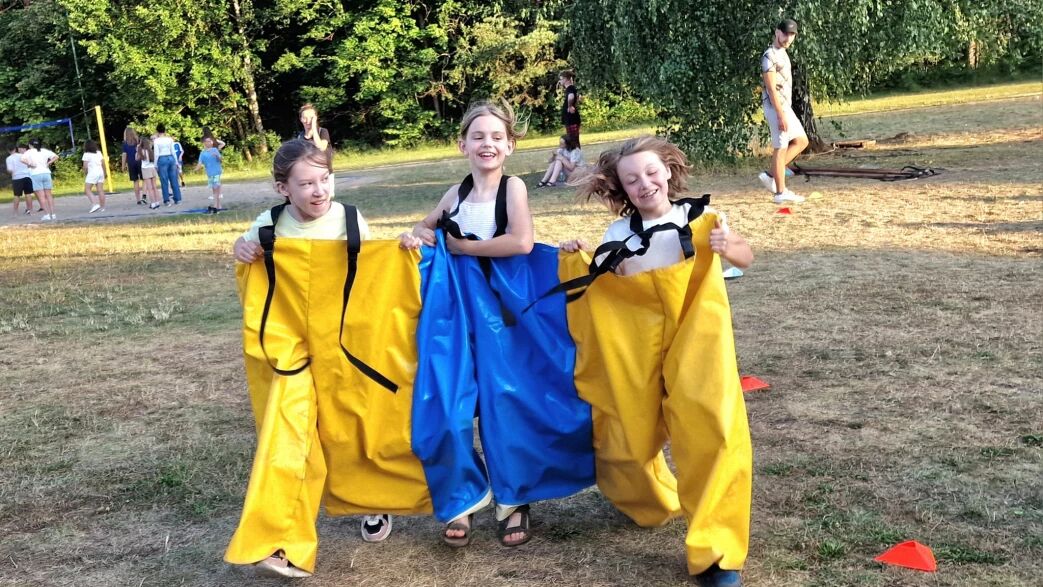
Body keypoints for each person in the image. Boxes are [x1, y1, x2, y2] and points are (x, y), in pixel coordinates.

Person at [399, 100, 595, 549]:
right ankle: (463, 498)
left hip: (500, 314)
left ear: (509, 146)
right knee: (448, 399)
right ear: (462, 145)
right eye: (478, 137)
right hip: (454, 312)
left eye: (496, 137)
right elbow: (426, 227)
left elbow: (521, 242)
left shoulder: (513, 188)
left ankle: (513, 498)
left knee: (504, 399)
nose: (487, 144)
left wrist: (464, 248)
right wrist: (419, 235)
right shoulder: (455, 193)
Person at [559, 136, 753, 587]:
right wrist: (578, 256)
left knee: (711, 427)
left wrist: (728, 246)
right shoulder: (618, 235)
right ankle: (651, 501)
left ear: (668, 170)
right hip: (638, 341)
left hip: (697, 335)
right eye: (632, 179)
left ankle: (718, 554)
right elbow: (605, 288)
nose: (644, 184)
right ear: (621, 188)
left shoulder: (701, 218)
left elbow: (745, 257)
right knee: (628, 432)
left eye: (651, 172)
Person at [227, 139, 418, 578]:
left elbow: (374, 275)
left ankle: (372, 500)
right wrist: (241, 248)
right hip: (291, 347)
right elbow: (244, 253)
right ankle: (279, 541)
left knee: (351, 422)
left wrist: (403, 248)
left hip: (346, 344)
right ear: (283, 189)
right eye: (306, 183)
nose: (319, 190)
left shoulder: (350, 220)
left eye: (325, 179)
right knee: (289, 431)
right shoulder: (269, 225)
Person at [757, 18, 809, 204]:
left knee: (801, 141)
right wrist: (780, 115)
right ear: (777, 32)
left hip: (785, 107)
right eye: (786, 34)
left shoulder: (783, 53)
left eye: (792, 35)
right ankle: (780, 193)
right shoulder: (769, 56)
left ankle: (771, 174)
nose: (788, 38)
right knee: (781, 147)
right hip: (775, 107)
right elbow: (771, 89)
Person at [296, 103, 335, 196]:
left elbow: (321, 147)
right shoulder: (300, 137)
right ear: (301, 119)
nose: (308, 121)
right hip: (308, 176)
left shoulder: (323, 132)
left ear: (315, 118)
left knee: (326, 198)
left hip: (325, 174)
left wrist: (314, 128)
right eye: (305, 118)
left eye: (311, 118)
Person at [21, 139, 58, 221]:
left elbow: (22, 159)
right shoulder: (44, 150)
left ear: (30, 145)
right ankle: (53, 214)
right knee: (49, 195)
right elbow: (56, 156)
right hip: (46, 173)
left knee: (41, 196)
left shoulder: (29, 152)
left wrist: (30, 164)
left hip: (36, 174)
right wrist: (48, 163)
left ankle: (47, 214)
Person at [152, 123, 183, 205]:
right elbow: (173, 151)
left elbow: (156, 153)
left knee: (164, 180)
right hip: (171, 158)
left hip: (162, 159)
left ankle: (166, 200)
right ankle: (177, 199)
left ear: (157, 131)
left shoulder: (156, 141)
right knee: (174, 179)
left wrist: (155, 164)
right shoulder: (169, 139)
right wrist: (176, 162)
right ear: (165, 131)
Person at [195, 137, 224, 213]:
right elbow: (200, 163)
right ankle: (218, 206)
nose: (210, 142)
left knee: (215, 188)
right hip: (209, 173)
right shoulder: (202, 153)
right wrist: (196, 169)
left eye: (210, 141)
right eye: (208, 141)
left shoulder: (215, 150)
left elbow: (221, 160)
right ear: (204, 143)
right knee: (215, 189)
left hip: (216, 172)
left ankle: (215, 206)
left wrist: (217, 156)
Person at [5, 143, 34, 215]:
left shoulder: (9, 158)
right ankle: (30, 210)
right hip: (27, 176)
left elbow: (10, 170)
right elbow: (29, 164)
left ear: (8, 150)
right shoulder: (22, 155)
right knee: (28, 194)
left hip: (17, 178)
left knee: (17, 195)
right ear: (15, 149)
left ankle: (15, 212)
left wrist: (9, 171)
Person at [120, 127, 145, 205]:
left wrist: (123, 165)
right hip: (140, 161)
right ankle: (144, 196)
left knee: (135, 181)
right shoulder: (138, 141)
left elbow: (124, 155)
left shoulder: (125, 143)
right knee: (144, 179)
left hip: (131, 163)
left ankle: (138, 199)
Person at [82, 140, 107, 213]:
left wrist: (86, 173)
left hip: (92, 172)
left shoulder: (86, 154)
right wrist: (104, 173)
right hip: (100, 171)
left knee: (87, 189)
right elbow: (103, 163)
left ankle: (95, 203)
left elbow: (85, 166)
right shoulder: (98, 153)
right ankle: (102, 207)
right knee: (100, 190)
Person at [559, 70, 582, 148]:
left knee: (573, 140)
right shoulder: (570, 88)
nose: (560, 81)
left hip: (571, 119)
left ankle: (576, 154)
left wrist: (569, 106)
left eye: (561, 79)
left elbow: (571, 96)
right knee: (573, 139)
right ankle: (575, 154)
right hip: (571, 118)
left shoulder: (570, 88)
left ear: (566, 79)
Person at [137, 137, 161, 209]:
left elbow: (137, 158)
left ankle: (153, 203)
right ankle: (157, 202)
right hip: (152, 168)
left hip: (145, 169)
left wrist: (137, 150)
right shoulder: (150, 151)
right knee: (154, 187)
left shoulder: (141, 151)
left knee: (149, 188)